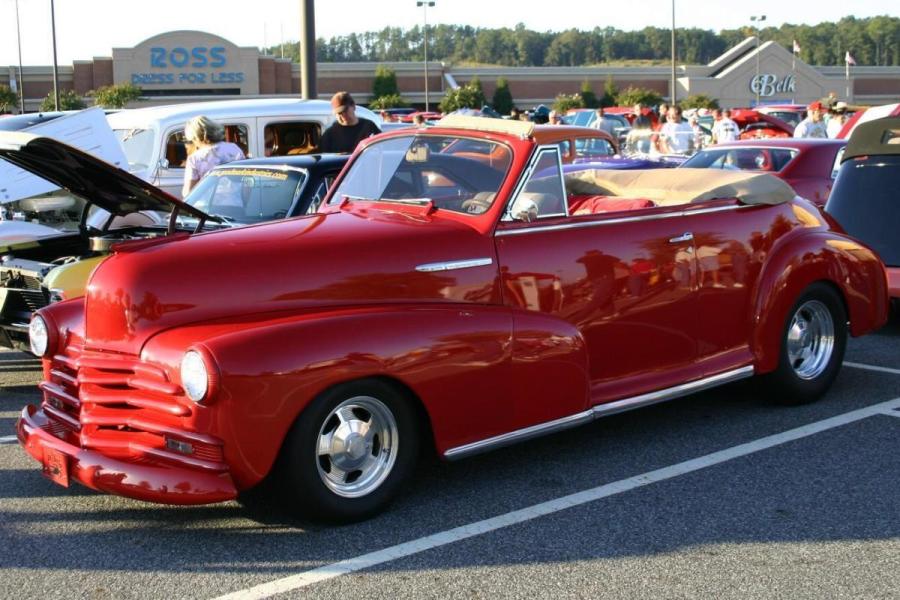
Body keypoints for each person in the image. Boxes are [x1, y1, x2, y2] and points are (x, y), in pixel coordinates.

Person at [182, 115, 245, 197]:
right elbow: (245, 181)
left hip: (205, 206)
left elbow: (187, 192)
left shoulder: (195, 158)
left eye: (192, 140)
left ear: (196, 138)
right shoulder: (234, 148)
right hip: (235, 204)